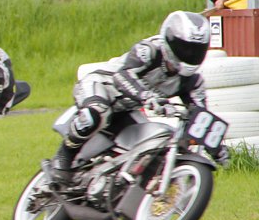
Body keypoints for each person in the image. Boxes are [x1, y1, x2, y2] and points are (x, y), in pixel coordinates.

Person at [50, 10, 210, 184]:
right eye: (185, 47)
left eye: (196, 50)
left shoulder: (193, 81)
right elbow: (122, 76)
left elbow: (201, 117)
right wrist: (146, 96)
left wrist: (217, 147)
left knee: (152, 143)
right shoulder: (149, 50)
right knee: (96, 113)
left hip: (128, 109)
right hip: (101, 86)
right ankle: (63, 157)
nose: (190, 54)